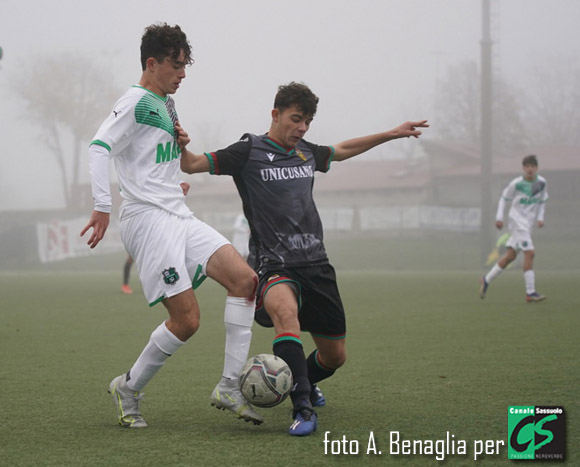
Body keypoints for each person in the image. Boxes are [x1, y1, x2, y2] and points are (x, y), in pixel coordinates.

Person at [179, 82, 427, 436]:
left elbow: (341, 150)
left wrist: (391, 133)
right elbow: (192, 164)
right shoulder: (248, 151)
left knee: (335, 356)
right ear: (275, 114)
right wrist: (180, 143)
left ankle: (305, 381)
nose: (302, 128)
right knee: (286, 314)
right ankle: (303, 408)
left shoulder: (306, 152)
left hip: (316, 263)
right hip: (274, 263)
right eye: (296, 119)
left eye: (307, 121)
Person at [80, 23, 261, 429]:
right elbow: (99, 147)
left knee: (245, 281)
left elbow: (151, 156)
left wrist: (172, 177)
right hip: (147, 219)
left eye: (184, 66)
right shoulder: (135, 102)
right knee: (187, 321)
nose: (182, 74)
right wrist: (102, 206)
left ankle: (229, 387)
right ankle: (128, 388)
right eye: (175, 66)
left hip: (176, 212)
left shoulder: (167, 103)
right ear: (152, 63)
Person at [479, 155, 548, 302]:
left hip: (527, 224)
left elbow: (542, 201)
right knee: (530, 253)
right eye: (527, 166)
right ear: (523, 168)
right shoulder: (516, 183)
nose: (530, 169)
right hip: (517, 221)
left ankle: (486, 280)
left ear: (536, 168)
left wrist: (540, 218)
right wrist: (499, 218)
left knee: (510, 256)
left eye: (532, 166)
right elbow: (504, 198)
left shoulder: (541, 183)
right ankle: (530, 292)